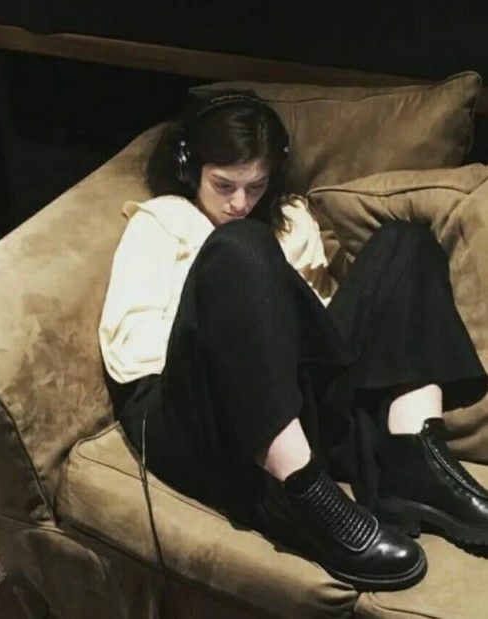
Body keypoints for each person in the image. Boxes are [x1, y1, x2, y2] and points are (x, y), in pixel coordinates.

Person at [98, 90, 488, 591]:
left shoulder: (289, 222)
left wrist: (287, 326)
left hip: (292, 399)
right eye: (223, 185)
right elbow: (131, 352)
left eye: (255, 186)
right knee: (239, 246)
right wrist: (229, 316)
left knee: (404, 244)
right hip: (193, 409)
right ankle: (301, 495)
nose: (239, 203)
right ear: (190, 168)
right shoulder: (162, 222)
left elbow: (318, 325)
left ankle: (414, 455)